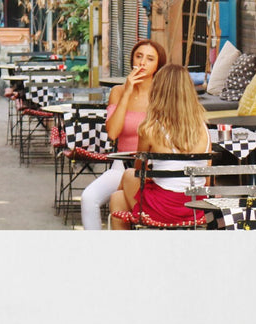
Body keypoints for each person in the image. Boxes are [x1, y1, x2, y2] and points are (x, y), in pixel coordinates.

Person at [108, 63, 211, 229]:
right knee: (117, 198)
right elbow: (206, 181)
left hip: (163, 210)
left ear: (157, 92)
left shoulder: (150, 128)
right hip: (196, 209)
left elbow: (140, 172)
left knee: (127, 177)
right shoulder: (204, 129)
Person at [79, 38, 167, 230]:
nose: (143, 62)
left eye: (150, 59)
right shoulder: (118, 91)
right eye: (139, 56)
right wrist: (127, 92)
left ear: (158, 65)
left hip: (156, 168)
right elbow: (112, 132)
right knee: (88, 198)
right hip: (122, 166)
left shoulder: (163, 94)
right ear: (132, 60)